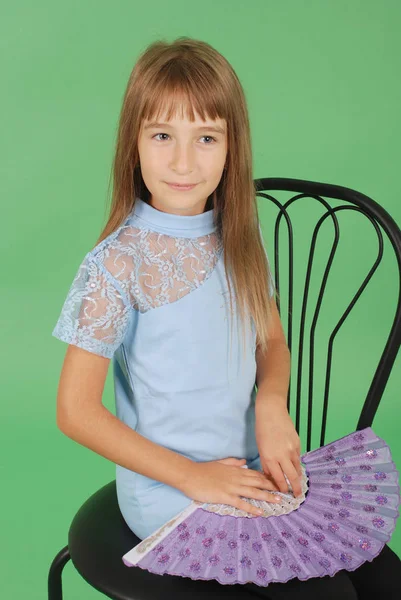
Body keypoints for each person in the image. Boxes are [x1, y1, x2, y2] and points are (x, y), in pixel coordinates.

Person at [51, 37, 401, 598]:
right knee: (326, 593)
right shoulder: (119, 264)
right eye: (163, 135)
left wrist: (271, 404)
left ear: (232, 147)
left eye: (206, 137)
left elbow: (272, 340)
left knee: (375, 580)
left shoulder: (239, 234)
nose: (184, 162)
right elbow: (74, 411)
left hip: (252, 468)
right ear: (133, 144)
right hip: (174, 490)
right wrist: (195, 476)